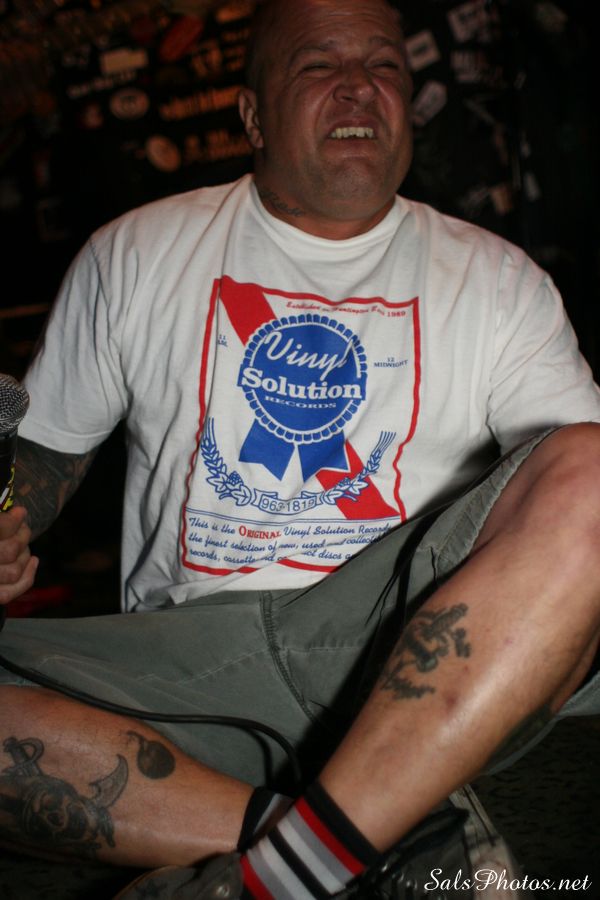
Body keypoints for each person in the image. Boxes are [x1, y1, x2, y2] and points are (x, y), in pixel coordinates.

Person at [1, 0, 600, 896]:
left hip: (407, 656)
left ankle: (297, 861)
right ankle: (351, 853)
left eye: (385, 65)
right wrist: (5, 517)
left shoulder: (500, 280)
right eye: (319, 64)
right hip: (182, 666)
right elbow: (38, 460)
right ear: (251, 115)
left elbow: (578, 521)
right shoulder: (135, 251)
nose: (359, 86)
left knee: (593, 469)